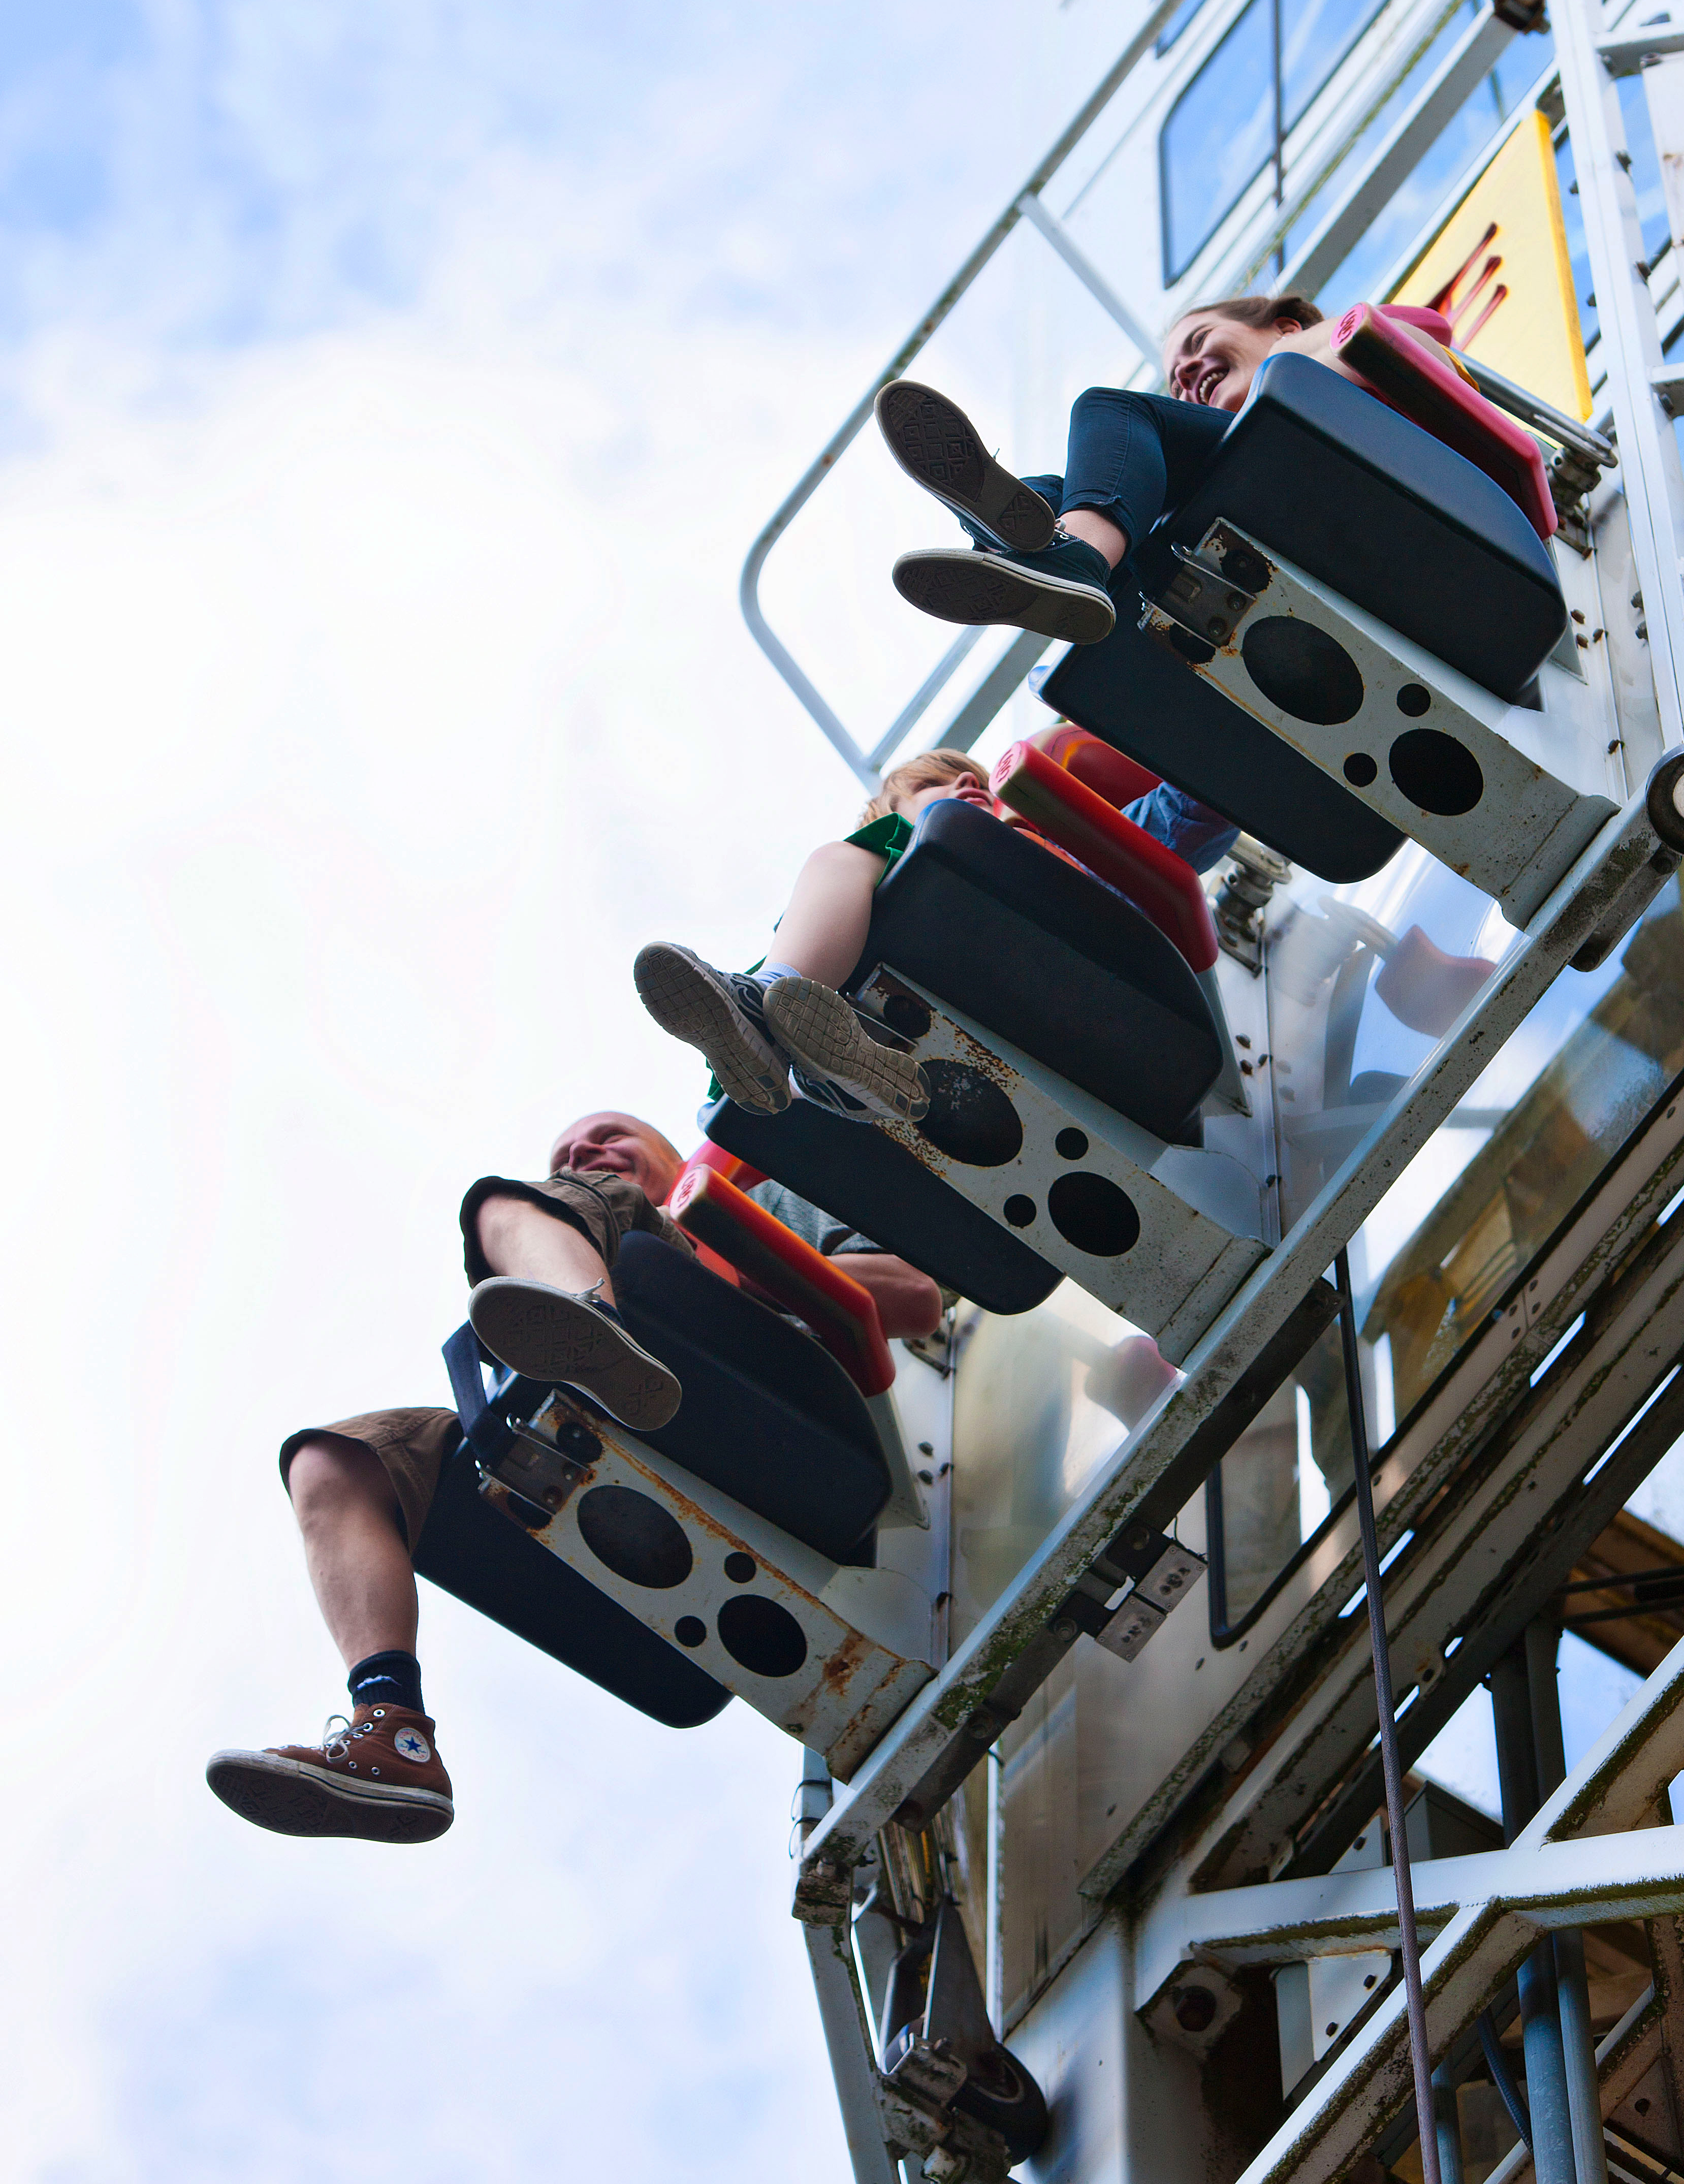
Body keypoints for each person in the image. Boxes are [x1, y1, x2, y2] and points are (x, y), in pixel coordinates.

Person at [205, 1108, 942, 1846]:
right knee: (338, 1462)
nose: (586, 1152)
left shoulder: (745, 1205)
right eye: (568, 1150)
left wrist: (721, 1252)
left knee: (511, 1206)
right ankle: (393, 1729)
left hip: (790, 1424)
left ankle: (600, 1329)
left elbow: (914, 1297)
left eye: (609, 1136)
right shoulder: (574, 1222)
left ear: (669, 1151)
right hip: (639, 1466)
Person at [633, 742, 1238, 1131]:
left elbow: (1200, 805)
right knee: (840, 889)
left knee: (857, 869)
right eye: (938, 786)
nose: (967, 785)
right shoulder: (866, 879)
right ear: (887, 819)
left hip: (1115, 1005)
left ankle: (797, 1036)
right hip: (982, 1061)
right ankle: (798, 1037)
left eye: (979, 780)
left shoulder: (1068, 837)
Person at [876, 290, 1343, 643]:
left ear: (1285, 328)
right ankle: (1027, 549)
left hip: (1321, 457)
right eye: (1177, 382)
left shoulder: (1343, 337)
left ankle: (1055, 554)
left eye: (1199, 341)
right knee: (1056, 494)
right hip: (1243, 535)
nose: (1182, 375)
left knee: (1116, 411)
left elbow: (1349, 353)